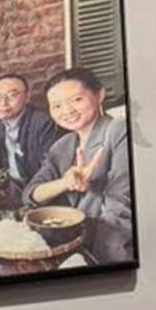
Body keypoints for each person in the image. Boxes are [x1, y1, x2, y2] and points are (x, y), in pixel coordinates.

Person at [24, 65, 133, 264]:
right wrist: (65, 183)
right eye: (57, 106)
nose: (67, 111)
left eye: (77, 99)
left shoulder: (119, 130)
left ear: (99, 95)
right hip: (75, 243)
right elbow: (31, 194)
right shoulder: (62, 146)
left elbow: (120, 211)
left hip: (109, 248)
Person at [0, 73, 59, 189]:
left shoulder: (42, 122)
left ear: (27, 97)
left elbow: (50, 169)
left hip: (37, 189)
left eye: (12, 95)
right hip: (11, 187)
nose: (3, 103)